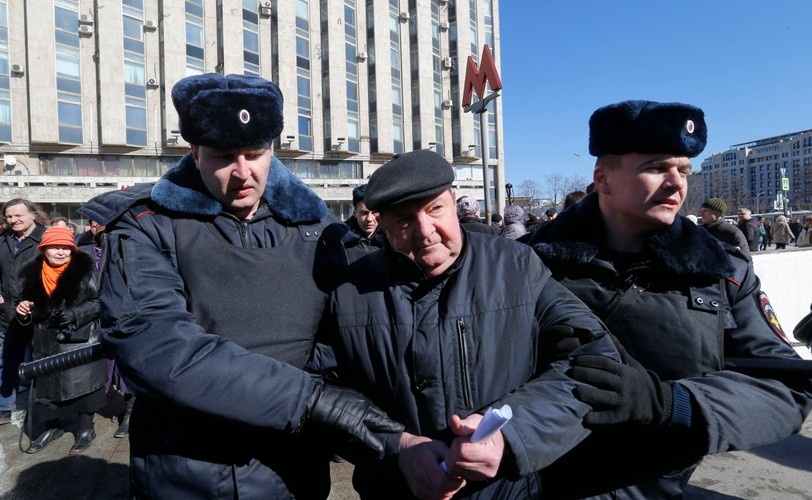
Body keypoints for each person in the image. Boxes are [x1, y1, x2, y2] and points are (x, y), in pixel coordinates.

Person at [78, 73, 402, 498]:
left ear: (273, 149)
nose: (243, 173)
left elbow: (357, 322)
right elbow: (158, 344)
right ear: (194, 152)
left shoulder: (317, 227)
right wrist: (311, 401)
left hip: (292, 471)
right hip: (187, 474)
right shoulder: (147, 226)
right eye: (224, 156)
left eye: (255, 153)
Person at [524, 99, 812, 498]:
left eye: (684, 170)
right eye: (656, 168)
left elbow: (786, 389)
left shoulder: (721, 271)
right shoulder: (525, 265)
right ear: (603, 178)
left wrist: (671, 403)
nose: (677, 184)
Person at [319, 149, 620, 499]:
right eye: (404, 221)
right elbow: (321, 390)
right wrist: (394, 445)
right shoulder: (349, 291)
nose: (425, 231)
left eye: (435, 210)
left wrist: (511, 434)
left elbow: (594, 359)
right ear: (382, 226)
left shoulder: (517, 267)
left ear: (453, 202)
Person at [15, 227, 106, 454]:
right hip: (44, 340)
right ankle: (51, 428)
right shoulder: (31, 273)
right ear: (44, 249)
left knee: (85, 388)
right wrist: (23, 309)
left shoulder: (85, 271)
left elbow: (99, 303)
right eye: (55, 247)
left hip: (78, 340)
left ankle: (86, 429)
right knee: (46, 389)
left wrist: (75, 314)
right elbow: (24, 303)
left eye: (66, 247)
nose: (61, 252)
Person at [0, 199, 48, 425]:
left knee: (35, 362)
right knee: (5, 359)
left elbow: (56, 273)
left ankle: (38, 407)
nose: (13, 220)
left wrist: (35, 300)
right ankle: (5, 405)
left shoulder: (45, 238)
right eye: (9, 216)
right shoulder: (3, 239)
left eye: (18, 215)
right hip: (6, 311)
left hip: (36, 312)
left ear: (32, 215)